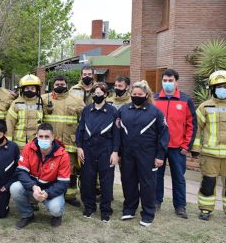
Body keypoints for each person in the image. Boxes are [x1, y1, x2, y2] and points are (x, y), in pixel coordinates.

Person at [118, 80, 169, 227]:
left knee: (147, 184)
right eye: (134, 94)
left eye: (140, 94)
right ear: (130, 94)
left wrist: (160, 155)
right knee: (128, 181)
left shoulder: (155, 112)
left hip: (147, 154)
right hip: (127, 154)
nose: (136, 96)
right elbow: (118, 132)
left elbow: (164, 134)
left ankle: (148, 213)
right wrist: (119, 153)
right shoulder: (123, 110)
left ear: (146, 95)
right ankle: (129, 208)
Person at [154, 69, 197, 218]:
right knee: (156, 177)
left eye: (170, 80)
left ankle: (180, 206)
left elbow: (192, 125)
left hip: (177, 148)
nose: (167, 83)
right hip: (158, 147)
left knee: (178, 178)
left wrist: (187, 146)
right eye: (165, 80)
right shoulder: (154, 99)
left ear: (176, 82)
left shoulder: (186, 100)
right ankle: (156, 202)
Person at [10, 123, 70, 229]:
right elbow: (21, 172)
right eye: (41, 136)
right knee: (15, 188)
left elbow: (63, 183)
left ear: (53, 137)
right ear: (36, 136)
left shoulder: (63, 155)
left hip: (51, 189)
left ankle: (57, 216)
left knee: (55, 208)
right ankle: (27, 215)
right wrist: (33, 186)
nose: (43, 139)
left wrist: (47, 193)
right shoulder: (28, 148)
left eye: (47, 137)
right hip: (33, 187)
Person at [76, 82, 120, 222]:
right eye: (95, 93)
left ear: (106, 94)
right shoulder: (87, 110)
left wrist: (115, 152)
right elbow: (80, 130)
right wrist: (79, 147)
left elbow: (117, 134)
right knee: (87, 179)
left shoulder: (113, 111)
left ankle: (106, 210)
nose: (97, 95)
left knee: (106, 181)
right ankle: (89, 207)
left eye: (100, 93)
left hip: (106, 150)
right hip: (88, 149)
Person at [42, 75, 84, 207]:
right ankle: (51, 194)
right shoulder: (44, 99)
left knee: (70, 171)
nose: (60, 86)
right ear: (52, 85)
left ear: (67, 84)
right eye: (57, 84)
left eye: (62, 84)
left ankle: (70, 196)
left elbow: (84, 121)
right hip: (50, 144)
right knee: (50, 169)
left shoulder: (77, 101)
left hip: (69, 143)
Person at [192, 70, 226, 221]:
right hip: (209, 156)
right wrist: (195, 149)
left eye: (225, 86)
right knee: (208, 184)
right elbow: (197, 130)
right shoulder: (204, 107)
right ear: (212, 88)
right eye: (219, 86)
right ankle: (205, 210)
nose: (222, 89)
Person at [6, 74, 44, 150]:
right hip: (19, 145)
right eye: (27, 88)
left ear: (37, 90)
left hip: (36, 144)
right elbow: (9, 123)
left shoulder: (41, 103)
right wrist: (8, 143)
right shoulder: (16, 103)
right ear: (22, 89)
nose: (30, 90)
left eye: (32, 88)